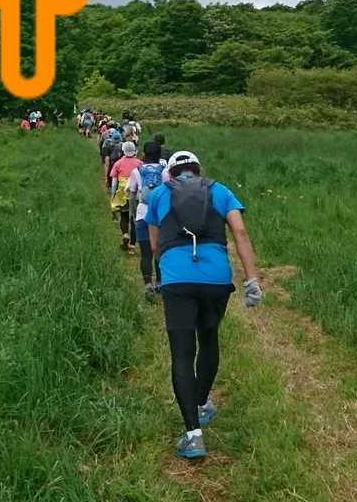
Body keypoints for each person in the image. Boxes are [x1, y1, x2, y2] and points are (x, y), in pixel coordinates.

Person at [144, 150, 263, 460]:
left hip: (177, 278)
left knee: (182, 353)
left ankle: (193, 435)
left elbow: (155, 244)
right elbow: (240, 232)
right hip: (216, 278)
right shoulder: (220, 190)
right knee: (208, 339)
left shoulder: (159, 195)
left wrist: (167, 270)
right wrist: (252, 279)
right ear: (199, 170)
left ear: (170, 173)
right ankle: (201, 403)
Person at [126, 140, 167, 293]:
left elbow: (132, 194)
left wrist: (133, 213)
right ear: (159, 155)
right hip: (161, 216)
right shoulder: (165, 172)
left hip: (142, 214)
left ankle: (148, 284)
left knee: (145, 253)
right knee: (160, 250)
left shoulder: (137, 171)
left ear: (143, 154)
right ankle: (160, 282)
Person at [107, 140, 143, 250]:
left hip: (123, 192)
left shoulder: (118, 163)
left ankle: (125, 234)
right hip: (135, 192)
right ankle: (132, 243)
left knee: (124, 216)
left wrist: (113, 195)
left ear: (123, 151)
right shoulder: (140, 163)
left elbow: (114, 183)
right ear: (134, 151)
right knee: (134, 218)